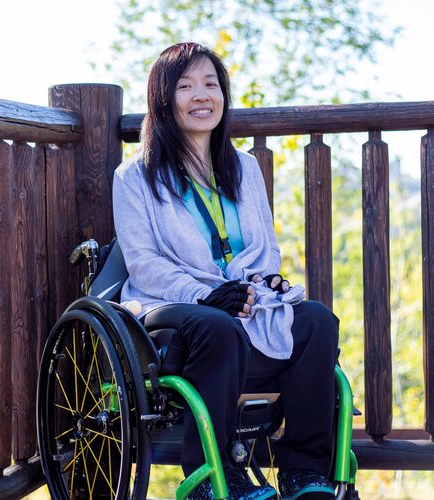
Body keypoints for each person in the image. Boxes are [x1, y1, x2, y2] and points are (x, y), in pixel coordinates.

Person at [112, 42, 339, 500]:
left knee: (317, 320)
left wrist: (262, 280)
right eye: (186, 86)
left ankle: (302, 473)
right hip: (173, 307)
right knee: (218, 326)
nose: (202, 96)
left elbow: (264, 248)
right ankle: (211, 480)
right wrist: (202, 295)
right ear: (162, 98)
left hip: (245, 305)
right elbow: (143, 263)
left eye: (211, 84)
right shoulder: (133, 177)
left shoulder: (245, 168)